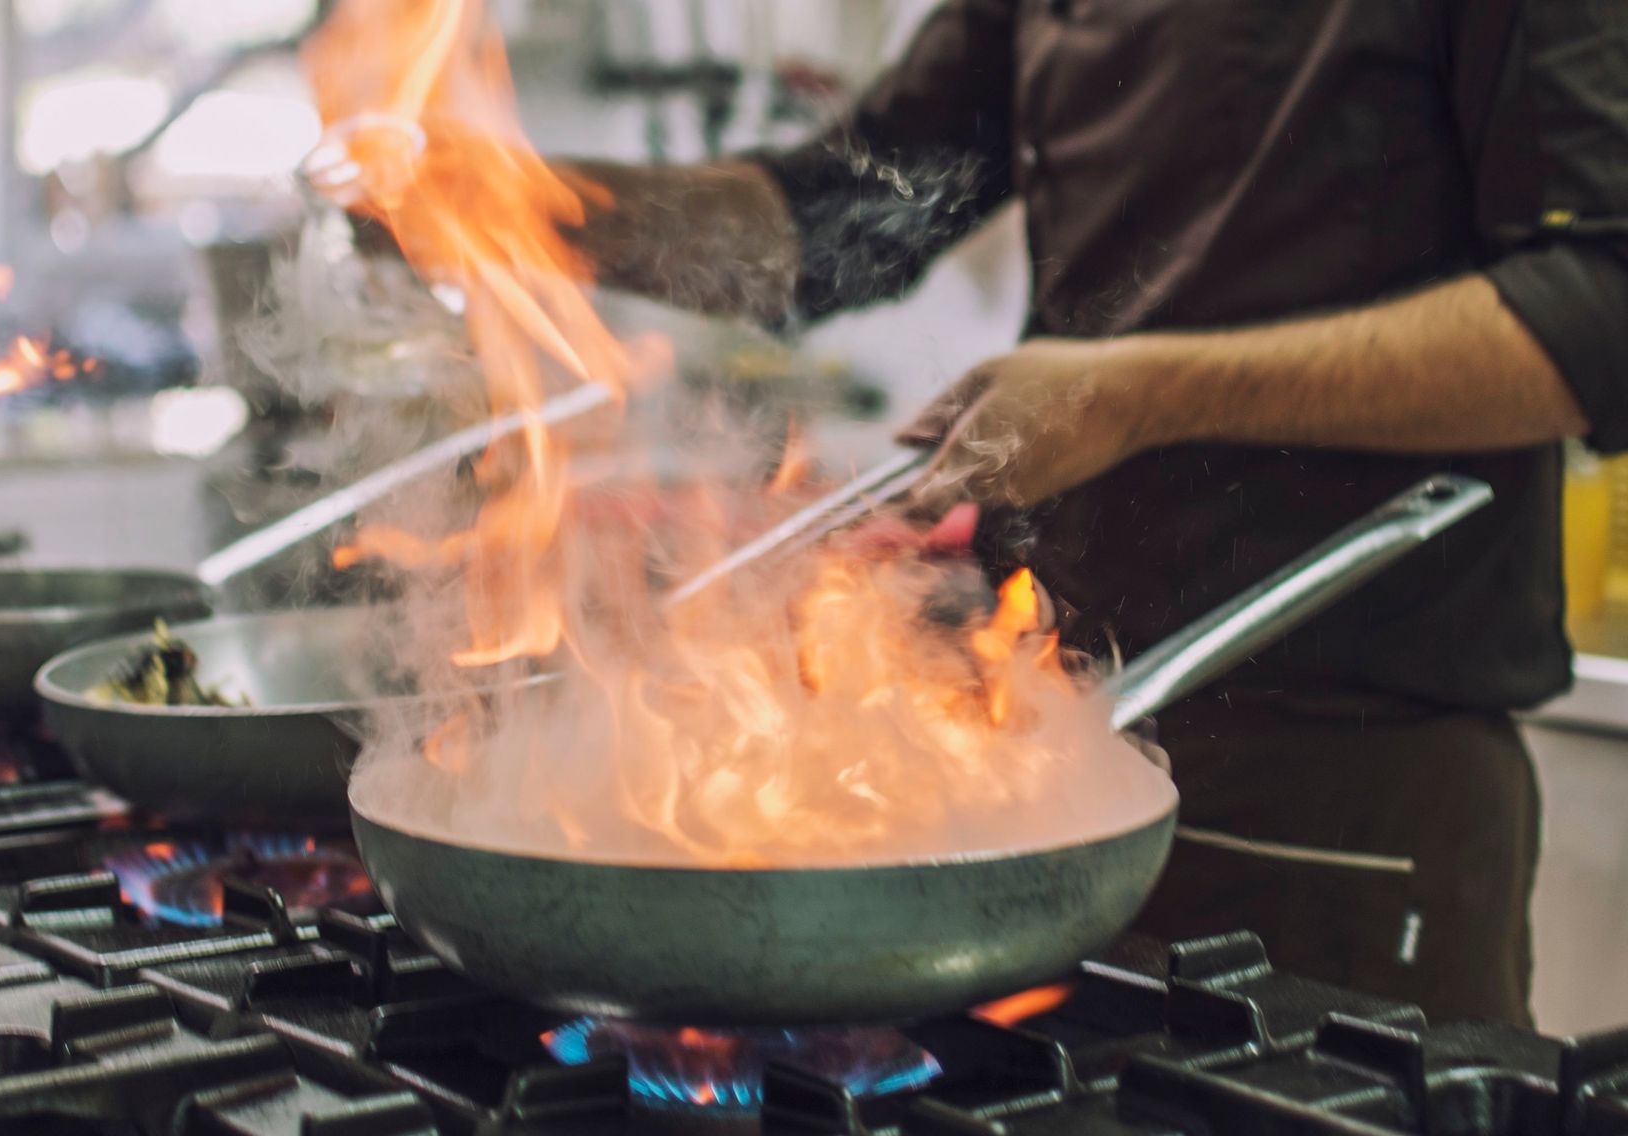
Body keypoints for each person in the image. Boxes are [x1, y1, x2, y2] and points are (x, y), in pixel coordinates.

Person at [553, 0, 1628, 1026]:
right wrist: (528, 207)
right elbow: (840, 218)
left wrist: (1136, 395)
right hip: (1056, 751)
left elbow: (1598, 306)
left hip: (1333, 785)